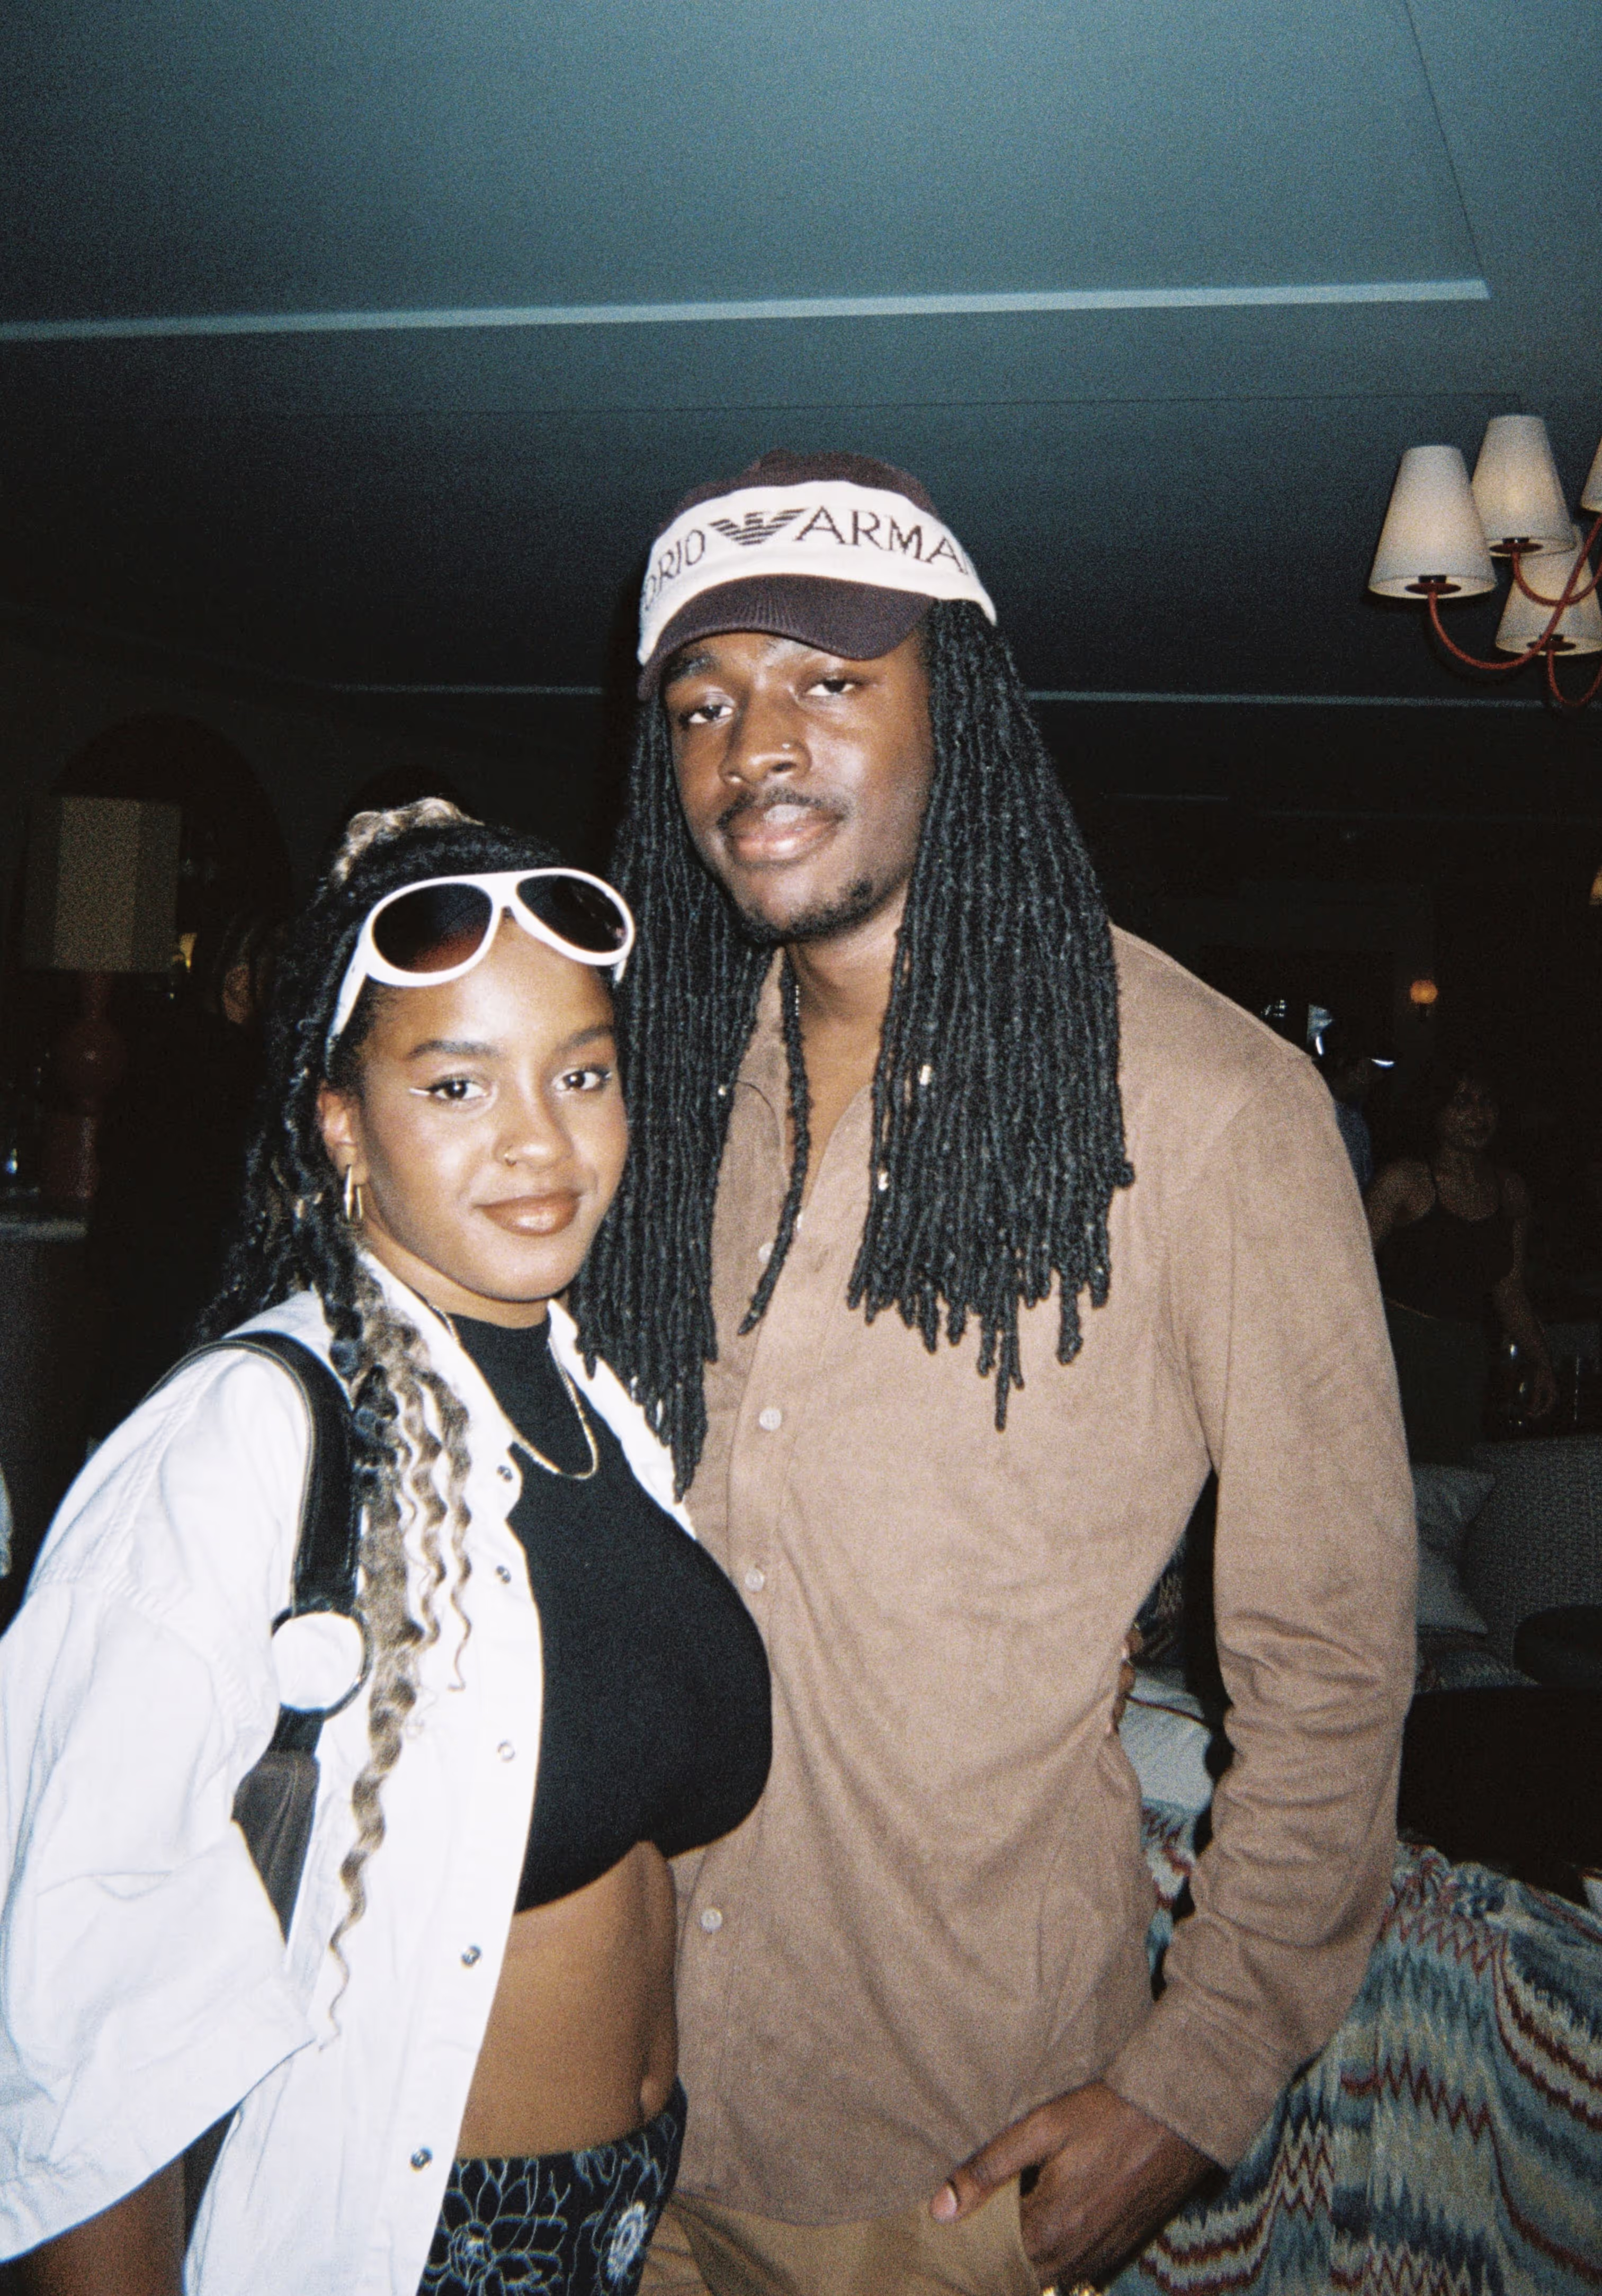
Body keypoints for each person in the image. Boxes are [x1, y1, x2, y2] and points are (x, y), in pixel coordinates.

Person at [572, 450, 1416, 2294]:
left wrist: (1191, 2082)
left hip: (941, 2151)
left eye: (824, 678)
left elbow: (1332, 1656)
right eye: (701, 703)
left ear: (958, 702)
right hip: (609, 2090)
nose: (749, 747)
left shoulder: (1212, 1115)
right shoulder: (649, 1085)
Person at [0, 801, 771, 2296]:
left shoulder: (594, 1400)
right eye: (457, 1081)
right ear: (341, 1116)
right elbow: (71, 2038)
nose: (540, 1140)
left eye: (581, 1071)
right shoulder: (242, 1443)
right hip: (408, 2236)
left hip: (629, 2215)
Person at [1367, 1061, 1556, 1462]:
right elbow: (1345, 1275)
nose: (1477, 1115)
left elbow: (1509, 1292)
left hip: (1463, 1357)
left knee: (1452, 1483)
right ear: (1435, 1111)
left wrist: (1541, 1361)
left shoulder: (1509, 1190)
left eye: (1486, 1101)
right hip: (1397, 1351)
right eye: (1461, 1102)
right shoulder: (1403, 1181)